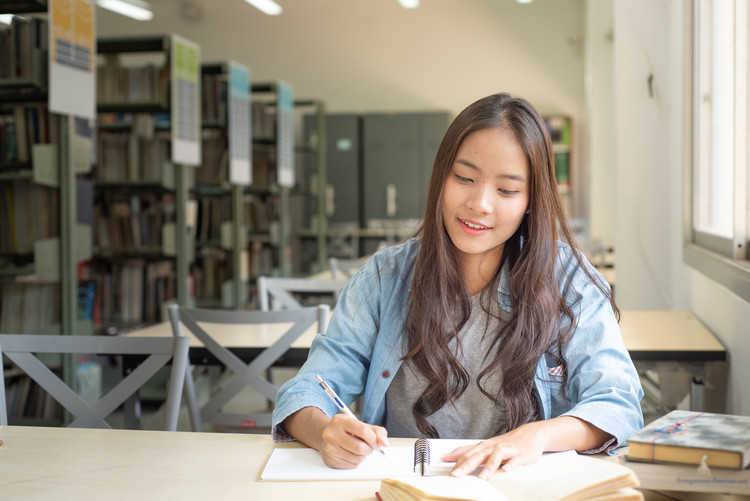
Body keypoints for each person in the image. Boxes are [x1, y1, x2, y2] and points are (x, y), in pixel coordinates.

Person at [271, 92, 643, 480]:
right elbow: (307, 392)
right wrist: (324, 431)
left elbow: (618, 405)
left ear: (531, 201)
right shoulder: (384, 278)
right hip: (410, 489)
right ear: (441, 176)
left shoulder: (568, 279)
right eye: (464, 178)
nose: (479, 203)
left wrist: (536, 436)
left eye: (507, 190)